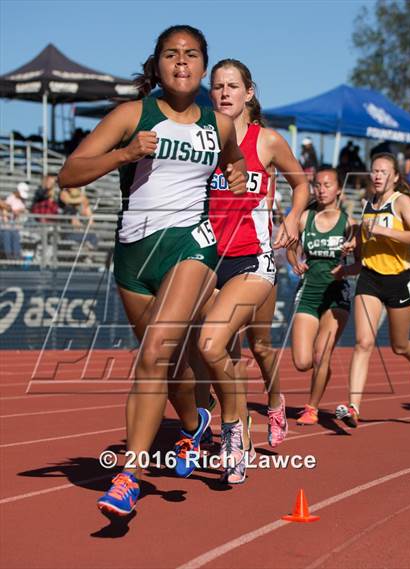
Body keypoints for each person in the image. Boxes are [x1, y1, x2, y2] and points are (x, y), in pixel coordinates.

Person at [58, 25, 247, 516]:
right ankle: (192, 426)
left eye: (190, 55)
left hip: (190, 247)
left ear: (203, 66)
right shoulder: (131, 115)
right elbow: (68, 174)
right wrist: (125, 152)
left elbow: (234, 158)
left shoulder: (219, 123)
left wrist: (236, 170)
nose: (181, 62)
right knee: (169, 372)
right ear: (157, 64)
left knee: (152, 355)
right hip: (133, 256)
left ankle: (128, 477)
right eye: (170, 54)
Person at [197, 59, 308, 483]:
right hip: (209, 260)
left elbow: (300, 183)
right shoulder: (203, 141)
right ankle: (237, 432)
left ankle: (274, 402)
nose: (224, 93)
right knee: (221, 351)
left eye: (232, 86)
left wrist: (294, 218)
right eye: (217, 87)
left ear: (249, 92)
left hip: (253, 258)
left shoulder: (268, 142)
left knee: (257, 348)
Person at [336, 153, 410, 427]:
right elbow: (366, 236)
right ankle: (353, 407)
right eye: (374, 171)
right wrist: (353, 245)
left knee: (399, 345)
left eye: (384, 171)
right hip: (370, 277)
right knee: (363, 343)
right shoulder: (368, 204)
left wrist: (385, 232)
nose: (378, 175)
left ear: (395, 177)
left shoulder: (401, 202)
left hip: (398, 279)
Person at [287, 168, 360, 425]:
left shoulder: (349, 224)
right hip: (308, 293)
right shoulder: (304, 218)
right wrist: (295, 262)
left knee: (321, 353)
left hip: (335, 295)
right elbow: (291, 249)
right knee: (302, 361)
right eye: (317, 185)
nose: (321, 189)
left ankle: (312, 407)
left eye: (327, 185)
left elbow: (361, 264)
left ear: (338, 188)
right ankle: (322, 372)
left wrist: (346, 268)